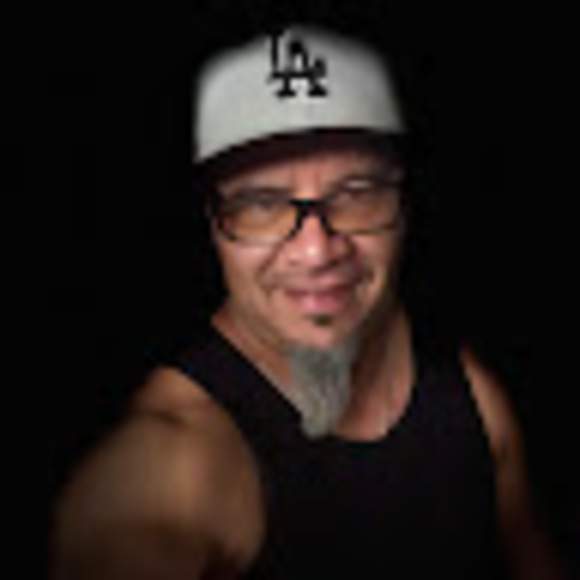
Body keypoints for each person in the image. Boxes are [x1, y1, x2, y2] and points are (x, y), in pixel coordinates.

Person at [50, 24, 571, 579]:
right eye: (262, 203)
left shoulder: (472, 399)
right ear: (214, 226)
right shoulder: (170, 470)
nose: (317, 249)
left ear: (403, 205)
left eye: (356, 193)